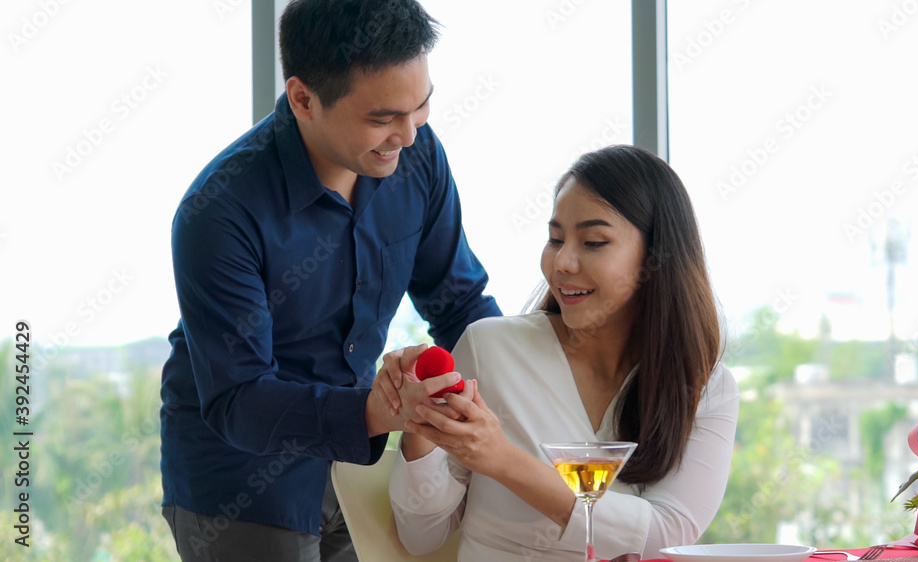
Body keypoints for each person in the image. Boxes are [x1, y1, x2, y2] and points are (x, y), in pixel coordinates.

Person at [158, 1, 501, 560]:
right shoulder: (218, 213)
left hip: (354, 467)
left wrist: (530, 396)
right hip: (243, 483)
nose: (409, 135)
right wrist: (382, 411)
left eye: (422, 107)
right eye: (383, 117)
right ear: (303, 99)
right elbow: (239, 399)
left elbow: (460, 302)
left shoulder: (416, 159)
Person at [381, 144, 739, 561]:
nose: (562, 262)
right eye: (555, 239)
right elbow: (421, 536)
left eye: (593, 241)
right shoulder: (491, 349)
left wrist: (503, 460)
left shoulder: (705, 386)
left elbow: (665, 534)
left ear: (657, 257)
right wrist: (420, 428)